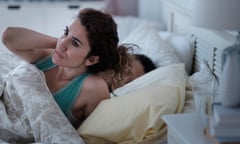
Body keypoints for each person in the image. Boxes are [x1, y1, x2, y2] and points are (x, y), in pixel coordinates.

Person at [2, 8, 132, 129]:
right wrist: (60, 43)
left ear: (91, 59)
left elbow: (97, 134)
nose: (63, 42)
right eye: (66, 32)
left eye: (75, 43)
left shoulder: (94, 87)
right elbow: (8, 37)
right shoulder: (48, 57)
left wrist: (63, 44)